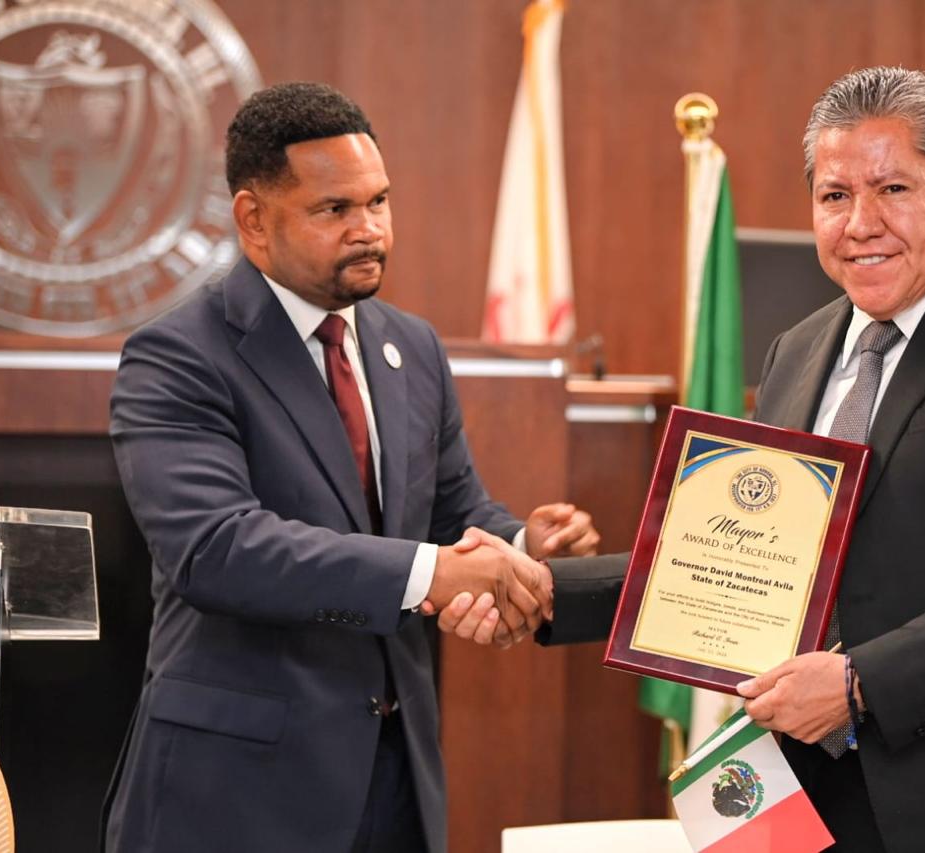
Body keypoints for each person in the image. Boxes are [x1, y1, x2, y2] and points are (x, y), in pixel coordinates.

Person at [437, 67, 925, 853]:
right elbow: (738, 557)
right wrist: (545, 591)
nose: (861, 223)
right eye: (835, 195)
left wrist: (859, 683)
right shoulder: (799, 349)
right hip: (825, 794)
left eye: (893, 189)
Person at [103, 81, 596, 853]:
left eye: (379, 201)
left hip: (396, 779)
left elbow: (449, 514)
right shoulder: (178, 355)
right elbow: (217, 549)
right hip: (238, 792)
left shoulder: (413, 346)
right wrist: (435, 574)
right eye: (335, 209)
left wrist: (521, 545)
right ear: (253, 219)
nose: (369, 229)